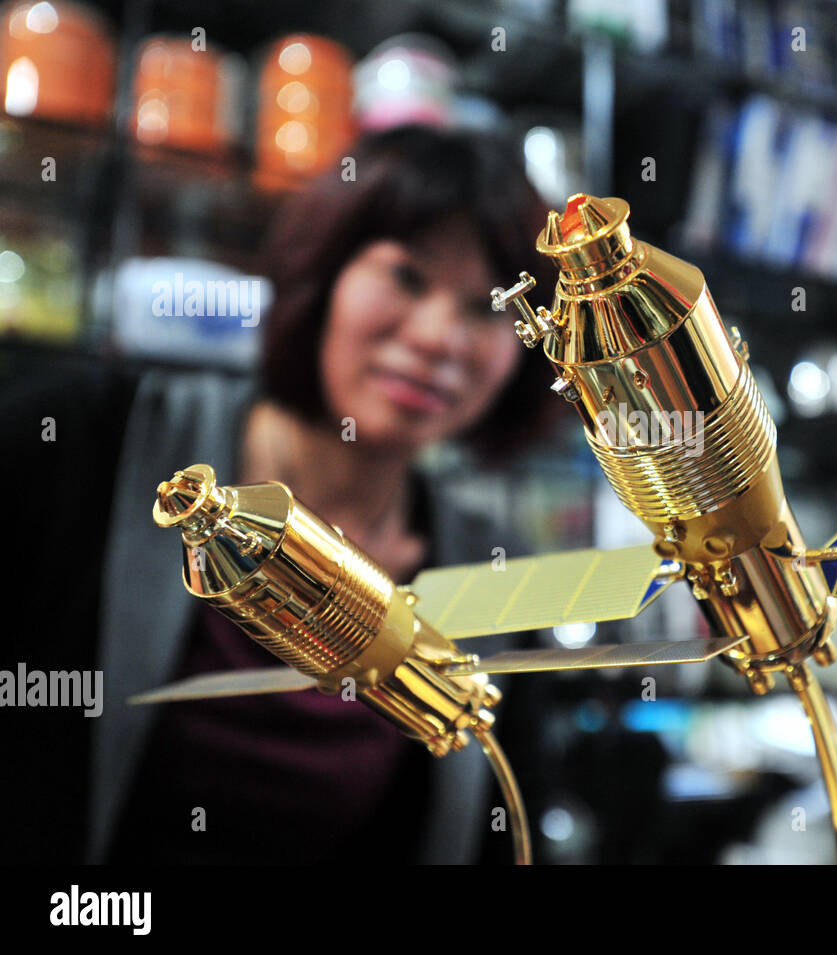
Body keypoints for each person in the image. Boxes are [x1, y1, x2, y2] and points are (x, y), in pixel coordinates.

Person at [0, 124, 559, 864]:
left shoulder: (497, 578)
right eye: (408, 277)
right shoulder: (81, 443)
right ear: (324, 275)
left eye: (487, 310)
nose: (438, 337)